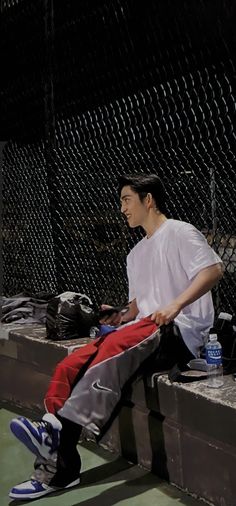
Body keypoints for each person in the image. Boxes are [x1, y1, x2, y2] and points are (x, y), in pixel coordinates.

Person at [9, 173, 223, 500]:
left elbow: (213, 270)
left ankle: (54, 439)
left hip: (179, 333)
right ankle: (56, 448)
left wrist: (176, 304)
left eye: (126, 199)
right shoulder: (135, 254)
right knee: (73, 363)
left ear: (148, 199)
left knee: (111, 346)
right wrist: (121, 313)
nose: (121, 207)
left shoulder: (180, 232)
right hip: (142, 331)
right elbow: (139, 305)